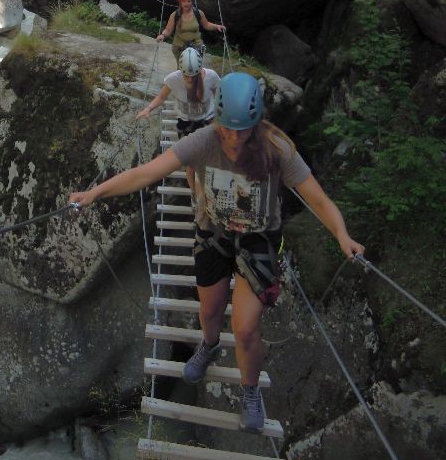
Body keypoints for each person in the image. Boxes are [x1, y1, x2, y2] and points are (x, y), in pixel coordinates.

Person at [69, 72, 364, 434]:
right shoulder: (204, 140)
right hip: (214, 233)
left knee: (245, 328)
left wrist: (342, 235)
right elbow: (147, 173)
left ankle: (250, 391)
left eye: (243, 131)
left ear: (257, 123)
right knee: (209, 311)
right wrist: (95, 193)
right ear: (218, 120)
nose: (235, 139)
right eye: (228, 130)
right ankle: (208, 346)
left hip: (258, 239)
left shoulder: (277, 148)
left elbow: (318, 199)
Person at [137, 47, 220, 137]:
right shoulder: (173, 79)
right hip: (185, 120)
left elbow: (219, 95)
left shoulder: (211, 76)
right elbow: (161, 97)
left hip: (207, 119)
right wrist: (148, 109)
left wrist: (221, 115)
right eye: (186, 76)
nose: (190, 79)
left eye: (193, 76)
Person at [157, 0, 225, 67]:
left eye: (188, 1)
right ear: (180, 2)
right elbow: (168, 30)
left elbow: (206, 25)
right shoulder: (175, 15)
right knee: (183, 69)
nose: (186, 4)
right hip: (180, 47)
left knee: (196, 68)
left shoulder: (198, 13)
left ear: (191, 1)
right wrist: (163, 35)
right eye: (184, 1)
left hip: (197, 46)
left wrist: (217, 26)